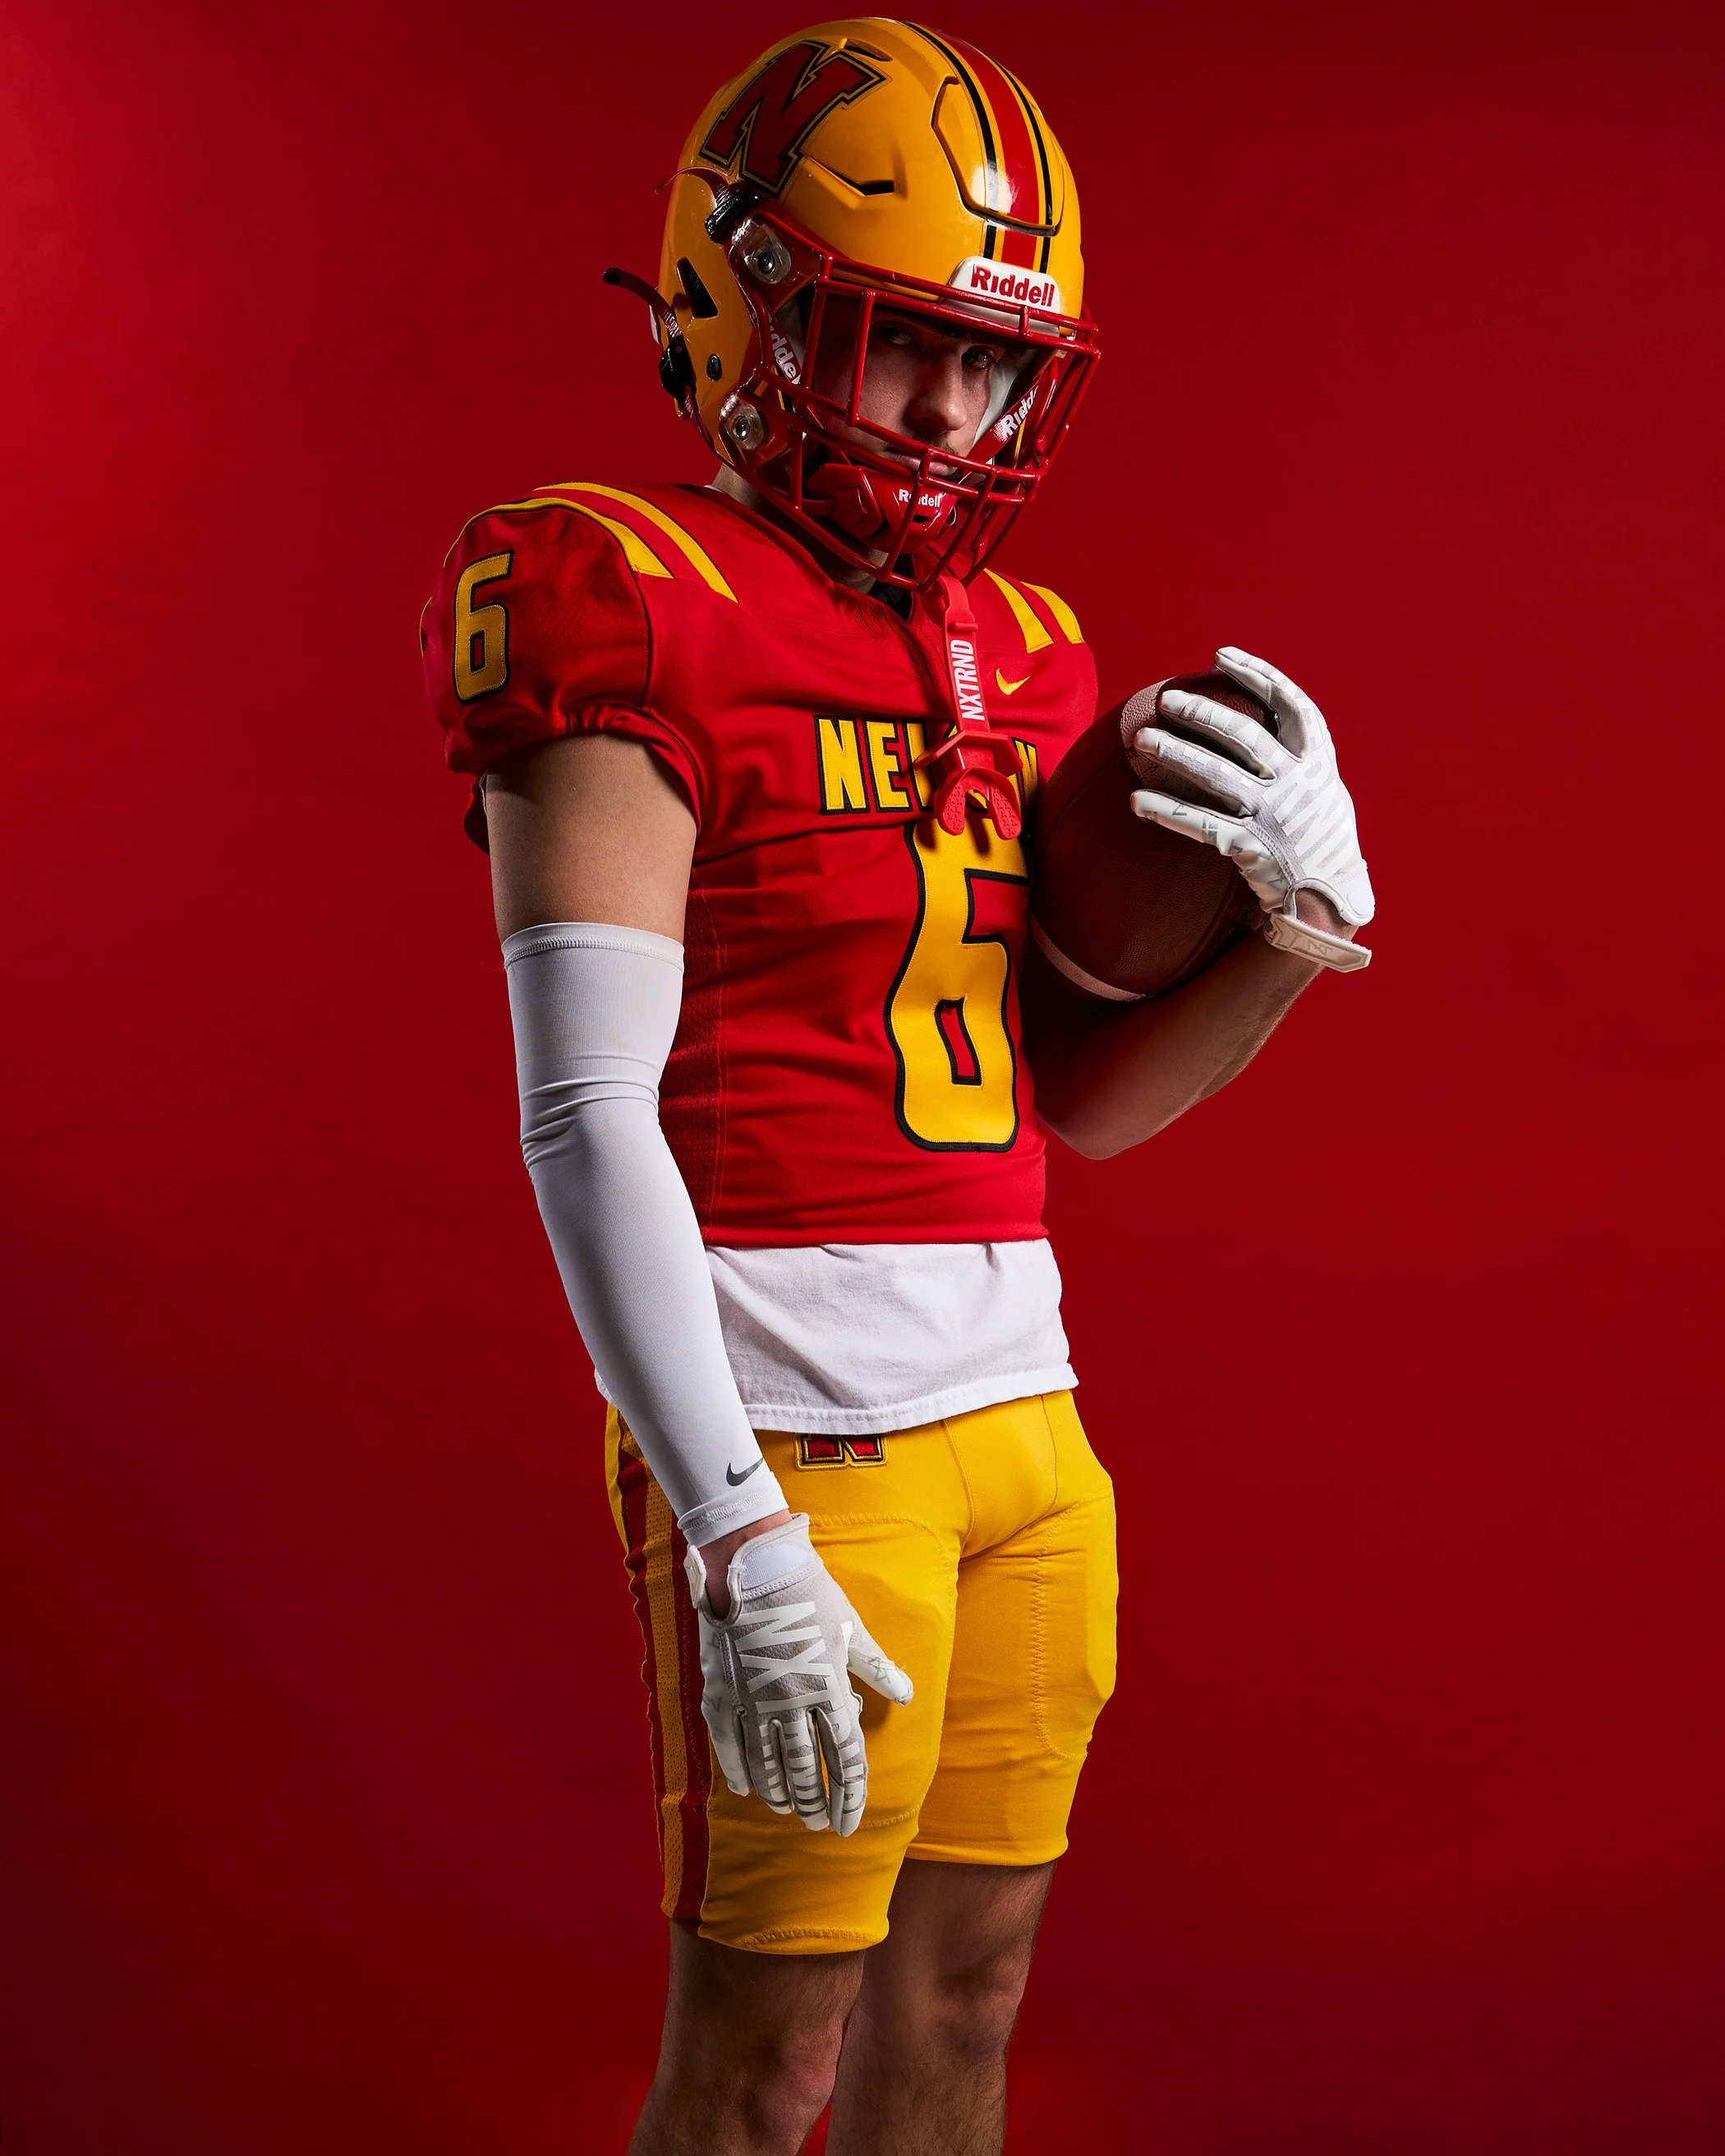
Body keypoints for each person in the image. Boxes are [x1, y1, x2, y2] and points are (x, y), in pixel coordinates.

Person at [421, 22, 1373, 2154]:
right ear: (731, 299)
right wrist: (733, 1525)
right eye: (881, 343)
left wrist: (1293, 945)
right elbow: (585, 1114)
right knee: (767, 2065)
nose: (950, 412)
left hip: (1021, 1428)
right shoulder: (618, 591)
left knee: (972, 2001)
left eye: (987, 361)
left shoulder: (1017, 645)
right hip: (797, 1443)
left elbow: (1083, 1112)